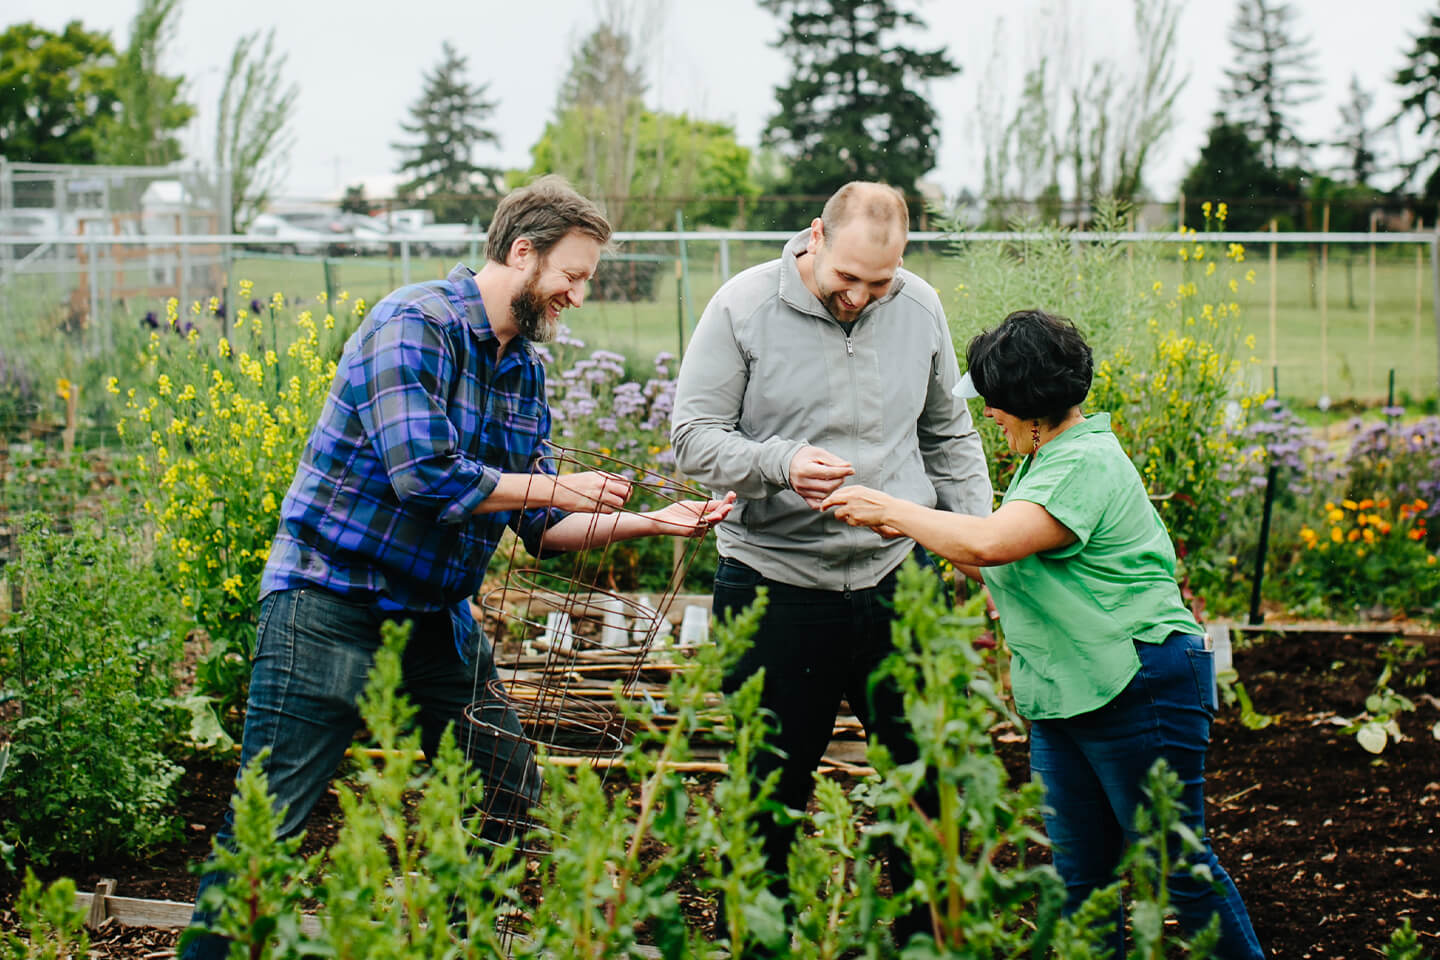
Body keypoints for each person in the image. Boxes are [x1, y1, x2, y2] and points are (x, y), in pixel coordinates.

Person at [181, 175, 733, 960]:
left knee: (507, 792)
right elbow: (424, 474)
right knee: (266, 829)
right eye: (573, 275)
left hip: (436, 615)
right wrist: (555, 483)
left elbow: (539, 526)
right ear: (521, 253)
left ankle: (447, 941)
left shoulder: (526, 372)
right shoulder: (415, 325)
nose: (579, 294)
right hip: (328, 601)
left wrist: (652, 520)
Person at [822, 308, 1266, 959]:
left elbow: (996, 542)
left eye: (995, 402)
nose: (988, 415)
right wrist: (907, 522)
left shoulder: (1085, 462)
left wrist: (893, 507)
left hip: (1137, 685)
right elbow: (989, 552)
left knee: (1181, 871)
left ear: (1027, 403)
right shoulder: (1043, 464)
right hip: (1067, 692)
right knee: (1081, 882)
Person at [670, 181, 993, 950]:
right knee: (769, 792)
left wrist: (976, 541)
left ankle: (924, 940)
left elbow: (950, 436)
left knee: (928, 783)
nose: (859, 296)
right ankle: (762, 940)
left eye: (878, 283)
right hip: (777, 585)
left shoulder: (918, 308)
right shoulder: (743, 307)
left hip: (898, 580)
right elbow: (691, 438)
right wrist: (779, 463)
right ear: (816, 235)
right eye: (847, 277)